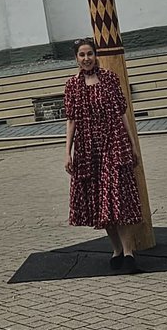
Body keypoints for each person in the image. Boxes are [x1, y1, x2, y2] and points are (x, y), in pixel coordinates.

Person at [64, 38, 144, 274]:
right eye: (82, 55)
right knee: (102, 200)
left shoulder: (109, 78)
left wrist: (132, 145)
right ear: (76, 58)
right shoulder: (71, 86)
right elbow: (71, 120)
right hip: (89, 148)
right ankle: (116, 249)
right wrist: (67, 152)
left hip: (114, 142)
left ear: (95, 55)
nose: (86, 58)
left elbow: (122, 113)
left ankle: (129, 252)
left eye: (90, 53)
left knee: (118, 195)